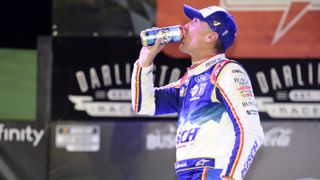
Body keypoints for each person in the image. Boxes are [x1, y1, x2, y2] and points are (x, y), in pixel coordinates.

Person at [131, 4, 265, 180]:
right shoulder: (188, 81)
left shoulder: (227, 71)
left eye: (194, 22)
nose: (185, 26)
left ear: (211, 36)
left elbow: (251, 130)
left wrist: (231, 176)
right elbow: (144, 105)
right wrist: (144, 62)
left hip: (212, 172)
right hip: (187, 173)